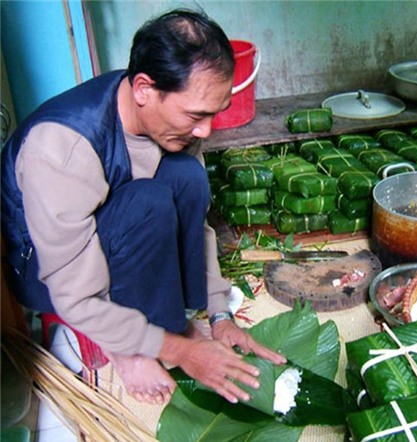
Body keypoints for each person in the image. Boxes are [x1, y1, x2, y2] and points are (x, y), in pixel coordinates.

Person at [1, 8, 286, 405]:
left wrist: (220, 315)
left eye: (212, 114)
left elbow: (196, 223)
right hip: (48, 272)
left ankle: (168, 326)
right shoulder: (62, 147)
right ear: (143, 89)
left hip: (116, 230)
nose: (205, 130)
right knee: (147, 202)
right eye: (196, 116)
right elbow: (74, 295)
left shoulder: (174, 123)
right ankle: (129, 349)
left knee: (187, 176)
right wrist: (180, 351)